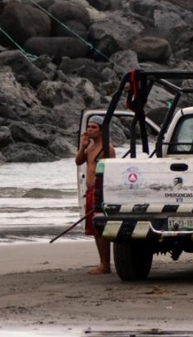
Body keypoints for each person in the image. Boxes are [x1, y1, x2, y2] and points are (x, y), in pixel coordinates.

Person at [75, 115, 116, 275]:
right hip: (90, 191)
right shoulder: (89, 148)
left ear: (100, 130)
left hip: (100, 191)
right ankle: (102, 263)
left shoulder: (107, 149)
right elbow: (78, 162)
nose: (89, 130)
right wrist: (82, 146)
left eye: (93, 127)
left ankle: (105, 264)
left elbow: (112, 172)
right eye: (89, 127)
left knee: (101, 228)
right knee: (94, 229)